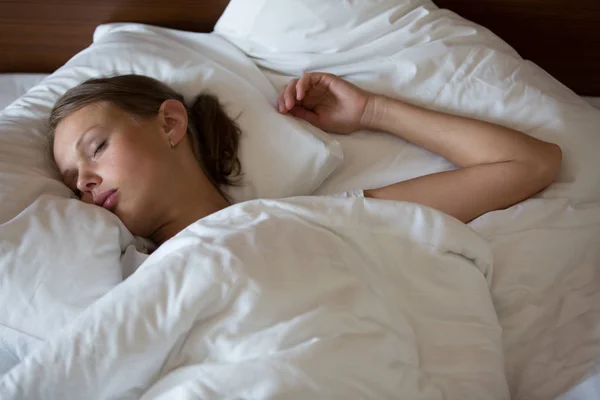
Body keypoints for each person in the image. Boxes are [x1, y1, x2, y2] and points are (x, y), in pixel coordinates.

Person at [50, 72, 562, 246]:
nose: (86, 185)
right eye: (73, 182)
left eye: (95, 149)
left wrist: (374, 110)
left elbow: (528, 164)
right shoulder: (114, 274)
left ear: (169, 124)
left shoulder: (314, 220)